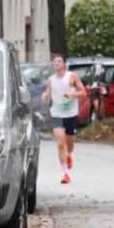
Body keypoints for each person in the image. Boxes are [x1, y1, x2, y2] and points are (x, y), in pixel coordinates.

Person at [41, 54, 85, 184]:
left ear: (64, 64)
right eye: (54, 61)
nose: (56, 63)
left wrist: (72, 94)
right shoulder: (51, 79)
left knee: (69, 144)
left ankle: (69, 155)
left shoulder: (72, 77)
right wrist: (45, 96)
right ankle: (65, 174)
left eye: (59, 61)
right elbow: (48, 94)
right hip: (56, 114)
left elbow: (83, 93)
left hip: (71, 114)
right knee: (60, 144)